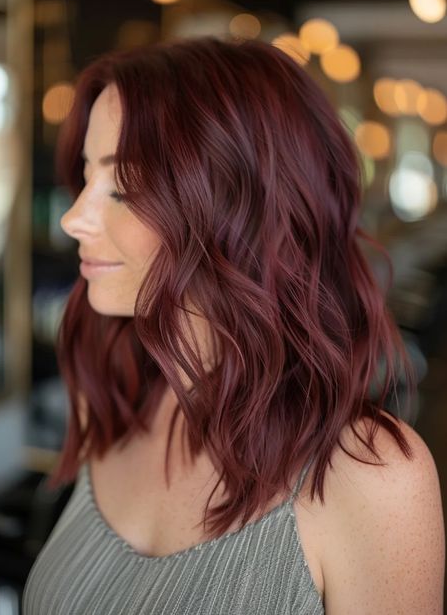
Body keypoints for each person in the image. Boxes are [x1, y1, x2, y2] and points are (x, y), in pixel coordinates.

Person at [22, 36, 445, 614]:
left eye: (122, 186)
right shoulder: (117, 399)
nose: (74, 218)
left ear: (241, 206)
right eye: (87, 177)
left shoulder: (373, 481)